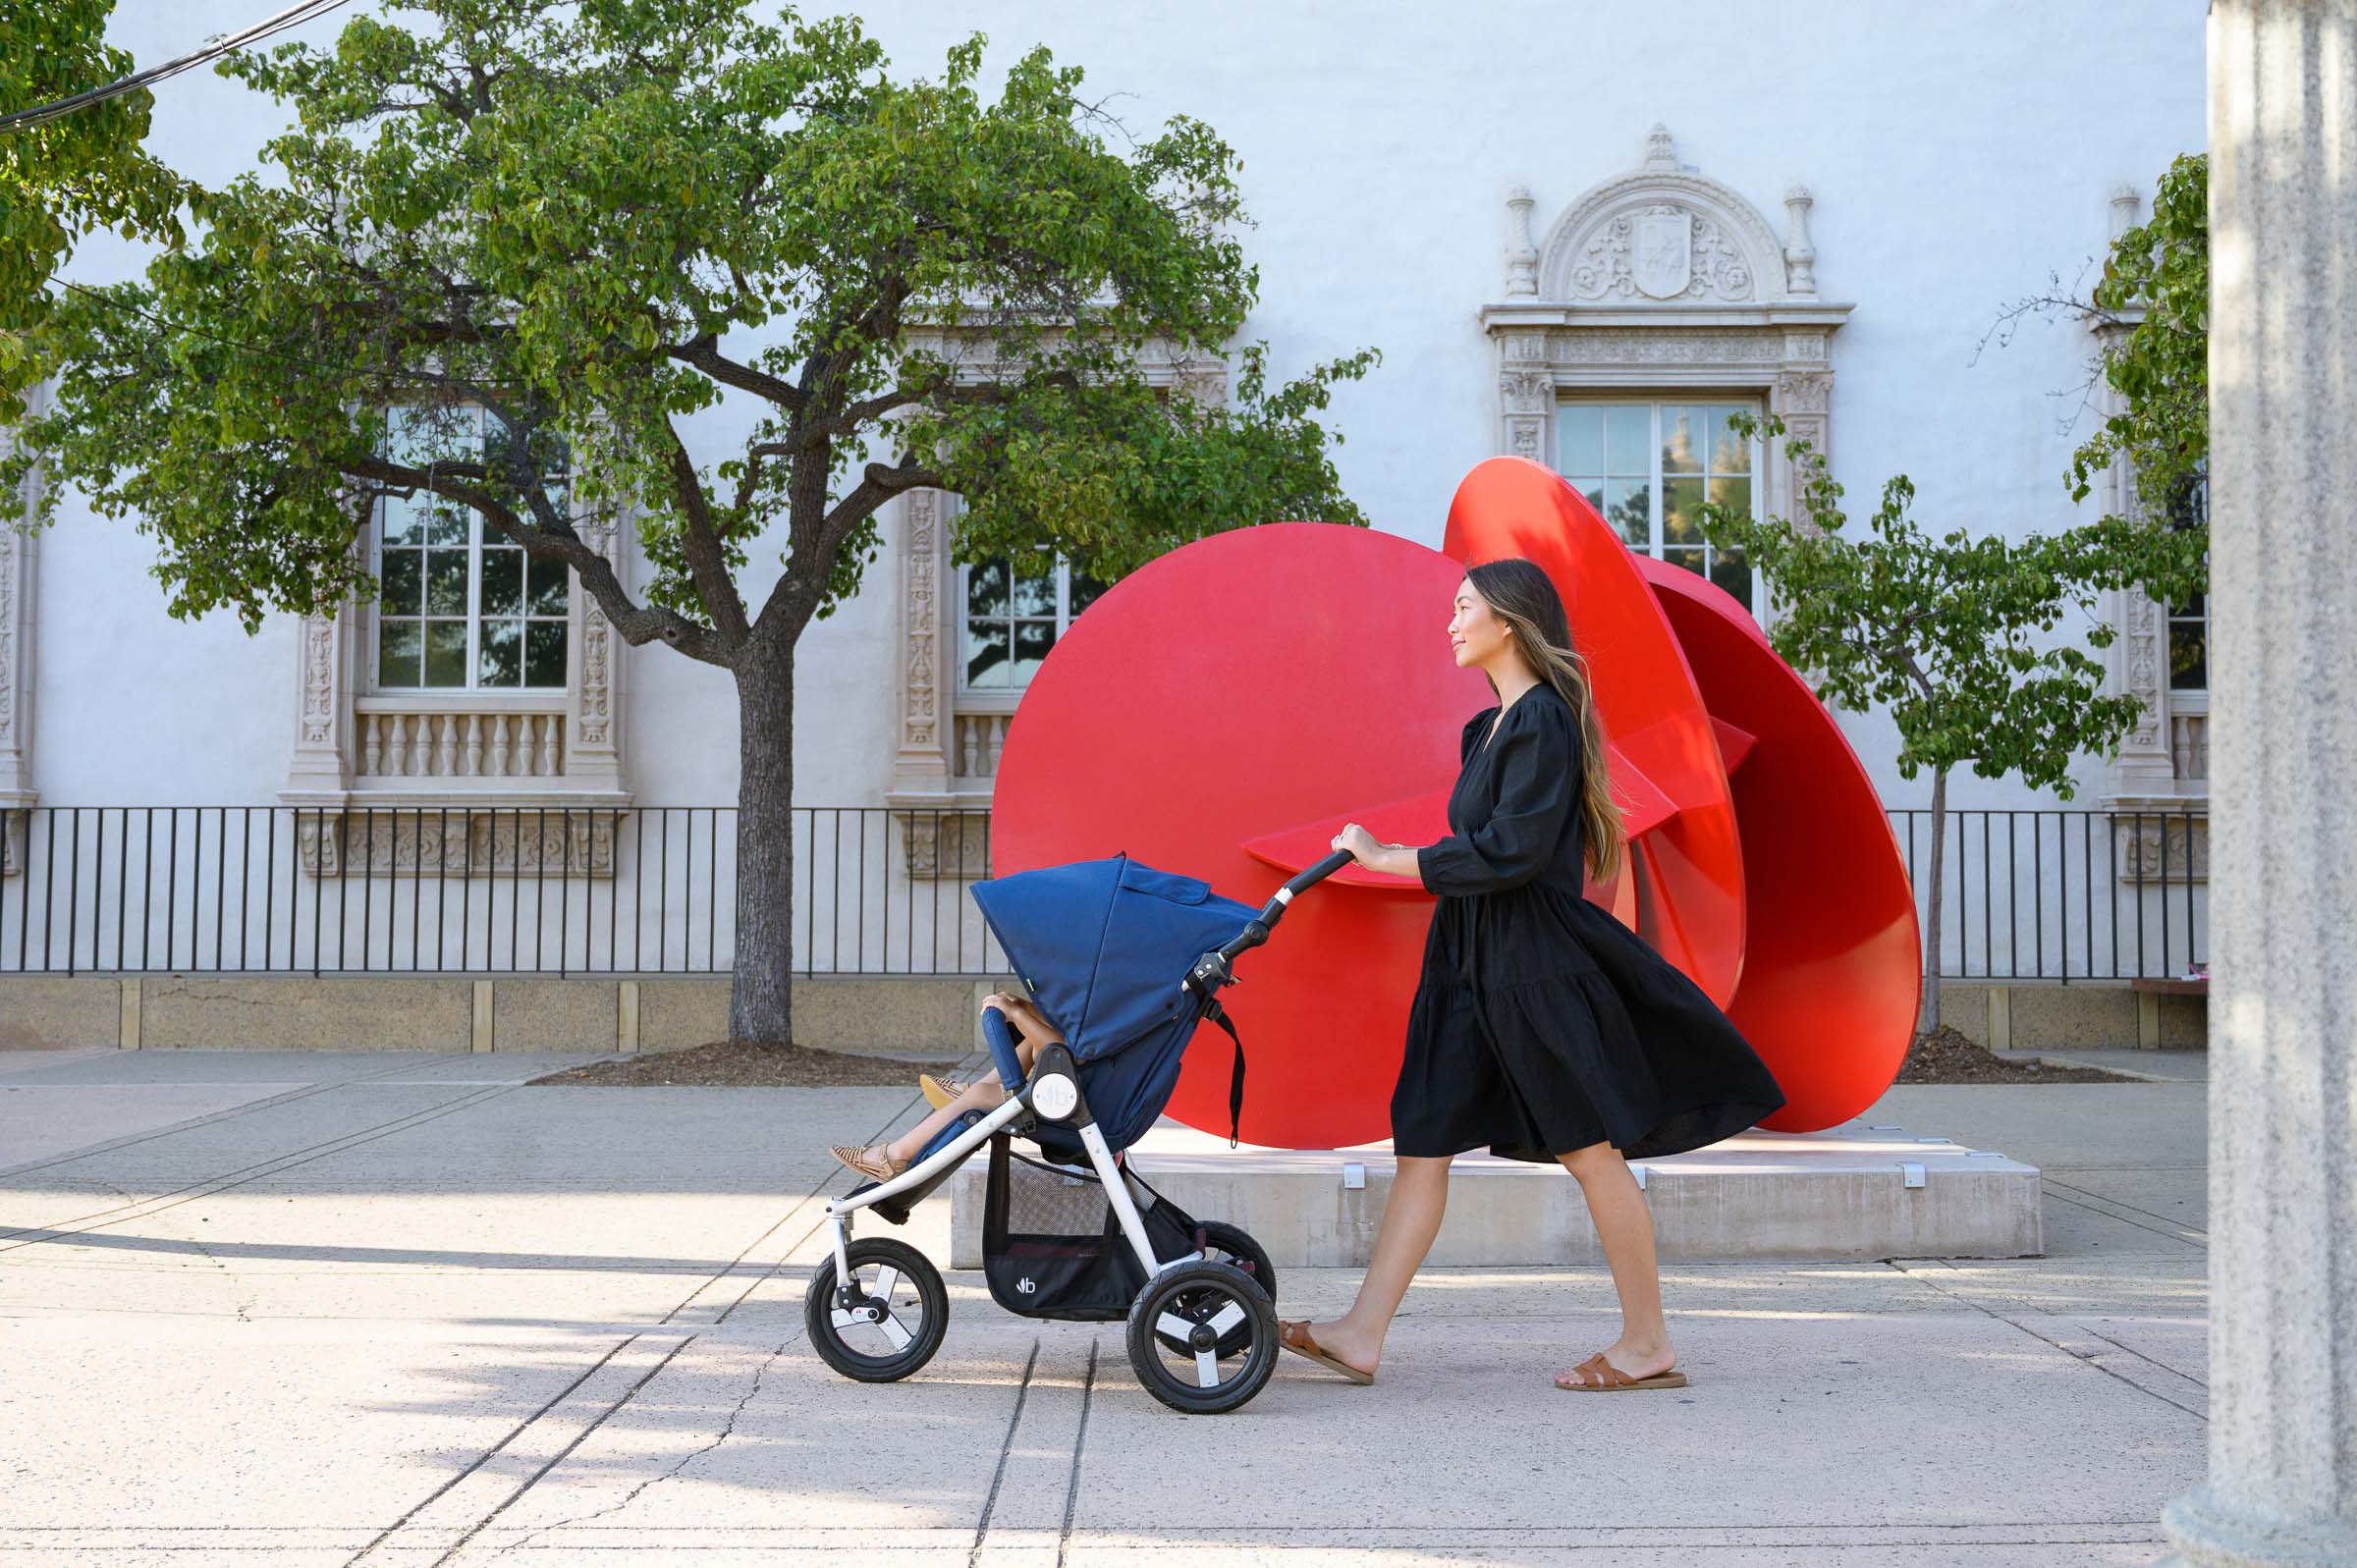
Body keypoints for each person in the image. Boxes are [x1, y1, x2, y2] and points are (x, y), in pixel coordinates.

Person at [1279, 558, 1785, 1391]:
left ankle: (1647, 1343)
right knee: (1424, 1141)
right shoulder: (1487, 731)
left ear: (1507, 623)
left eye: (1463, 607)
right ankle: (1360, 1333)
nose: (1450, 621)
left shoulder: (1544, 719)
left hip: (1526, 965)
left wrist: (1388, 855)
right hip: (1465, 961)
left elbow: (1510, 853)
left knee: (1588, 1147)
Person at [828, 990, 1062, 1181]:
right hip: (1066, 1091)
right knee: (1034, 1043)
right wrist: (1023, 1007)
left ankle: (894, 1157)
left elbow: (1067, 1053)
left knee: (982, 1094)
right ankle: (970, 1094)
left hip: (1068, 1104)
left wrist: (1017, 1012)